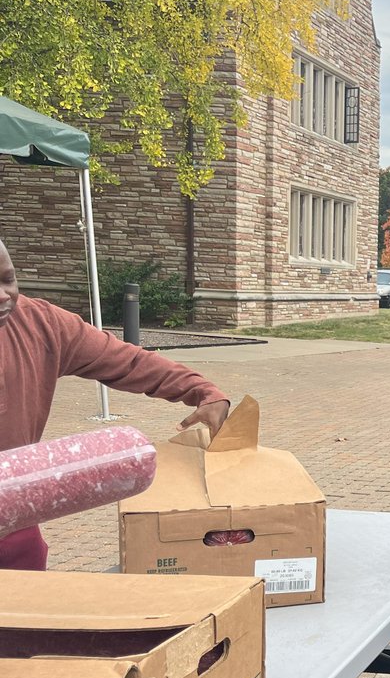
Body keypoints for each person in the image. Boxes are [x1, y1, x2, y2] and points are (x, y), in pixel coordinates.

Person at [0, 238, 230, 570]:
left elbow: (126, 360)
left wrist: (203, 391)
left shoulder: (41, 325)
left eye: (8, 279)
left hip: (18, 527)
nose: (4, 295)